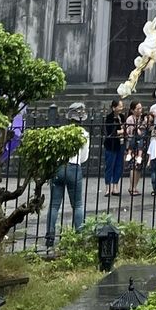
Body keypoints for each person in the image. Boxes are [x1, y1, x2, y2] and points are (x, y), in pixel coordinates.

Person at [44, 102, 90, 250]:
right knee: (77, 204)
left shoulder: (61, 131)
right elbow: (84, 157)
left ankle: (50, 236)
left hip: (58, 167)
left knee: (54, 204)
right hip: (74, 168)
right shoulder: (84, 134)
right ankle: (79, 235)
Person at [124, 100, 148, 195]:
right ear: (133, 110)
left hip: (141, 144)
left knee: (139, 166)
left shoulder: (143, 118)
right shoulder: (130, 119)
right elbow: (129, 131)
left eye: (140, 108)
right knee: (133, 166)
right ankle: (131, 187)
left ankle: (135, 186)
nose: (140, 110)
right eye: (137, 109)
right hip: (132, 144)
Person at [102, 97, 126, 195]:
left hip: (120, 144)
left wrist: (122, 131)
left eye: (121, 106)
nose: (121, 108)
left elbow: (125, 128)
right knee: (109, 166)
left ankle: (115, 186)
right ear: (113, 107)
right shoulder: (109, 117)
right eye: (119, 106)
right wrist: (121, 131)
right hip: (111, 145)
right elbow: (111, 131)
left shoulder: (122, 117)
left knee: (119, 166)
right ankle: (108, 187)